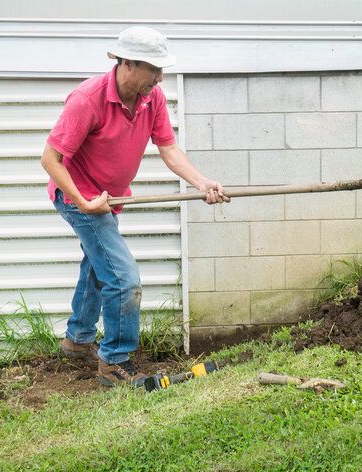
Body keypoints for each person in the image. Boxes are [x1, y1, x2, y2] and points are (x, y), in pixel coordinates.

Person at [40, 26, 228, 387]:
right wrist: (83, 201)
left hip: (108, 198)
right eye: (154, 70)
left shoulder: (149, 98)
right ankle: (114, 361)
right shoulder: (87, 100)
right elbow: (50, 160)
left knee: (99, 266)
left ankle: (77, 339)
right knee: (124, 279)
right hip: (77, 196)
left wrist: (202, 183)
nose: (160, 78)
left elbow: (169, 149)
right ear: (127, 63)